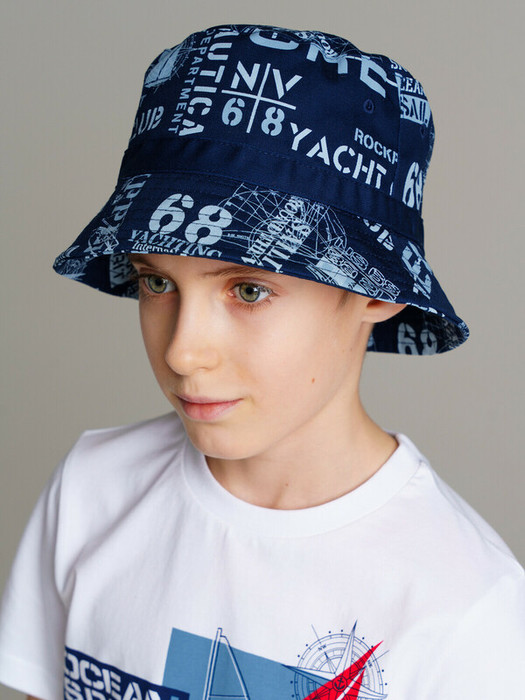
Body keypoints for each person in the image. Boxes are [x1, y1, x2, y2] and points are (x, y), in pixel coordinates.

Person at [0, 23, 523, 700]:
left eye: (248, 290)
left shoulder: (467, 611)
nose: (183, 350)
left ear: (373, 290)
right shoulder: (92, 491)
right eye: (157, 281)